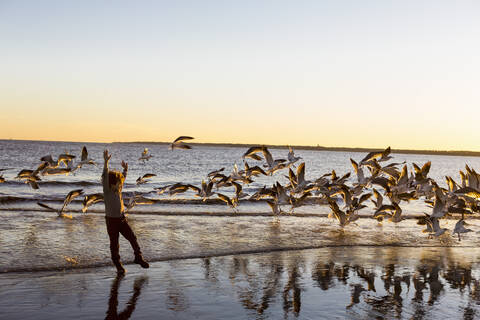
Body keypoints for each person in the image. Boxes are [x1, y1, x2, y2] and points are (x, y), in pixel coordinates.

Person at [102, 149, 149, 274]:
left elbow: (123, 178)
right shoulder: (107, 191)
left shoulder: (118, 189)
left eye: (120, 183)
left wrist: (125, 170)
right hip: (111, 221)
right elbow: (105, 175)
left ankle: (138, 257)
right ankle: (118, 264)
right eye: (117, 182)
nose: (120, 184)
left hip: (122, 219)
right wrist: (106, 162)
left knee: (133, 238)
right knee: (114, 244)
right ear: (111, 183)